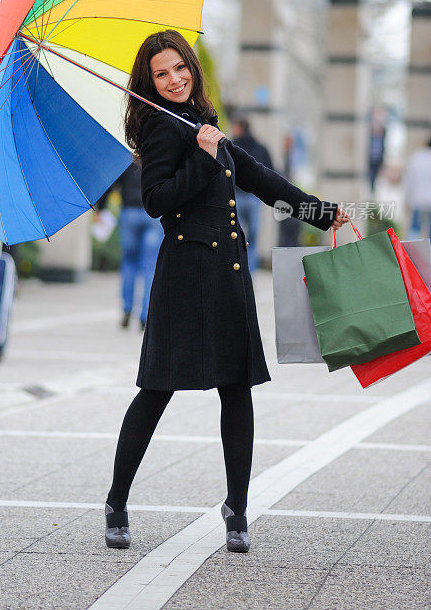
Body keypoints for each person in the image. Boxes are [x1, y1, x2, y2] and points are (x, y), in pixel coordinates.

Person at [103, 30, 349, 553]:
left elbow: (259, 178)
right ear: (148, 82)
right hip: (184, 274)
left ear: (192, 67)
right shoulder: (159, 129)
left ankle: (237, 508)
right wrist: (204, 157)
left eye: (178, 69)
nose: (173, 80)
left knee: (237, 390)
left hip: (228, 275)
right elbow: (157, 200)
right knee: (157, 389)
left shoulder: (201, 123)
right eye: (161, 74)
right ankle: (117, 500)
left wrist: (320, 213)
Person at [96, 162, 163, 330]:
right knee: (150, 265)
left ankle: (126, 310)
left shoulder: (126, 156)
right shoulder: (158, 151)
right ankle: (145, 315)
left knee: (129, 262)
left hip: (129, 212)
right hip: (153, 213)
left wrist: (101, 208)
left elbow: (110, 182)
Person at [230, 118, 273, 271]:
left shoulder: (231, 146)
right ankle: (250, 272)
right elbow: (270, 171)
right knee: (252, 239)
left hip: (237, 197)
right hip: (254, 197)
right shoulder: (260, 148)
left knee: (236, 236)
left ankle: (240, 270)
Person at [403, 137, 431, 240]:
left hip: (418, 201)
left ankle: (411, 255)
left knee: (414, 232)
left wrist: (407, 200)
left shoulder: (417, 156)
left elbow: (408, 180)